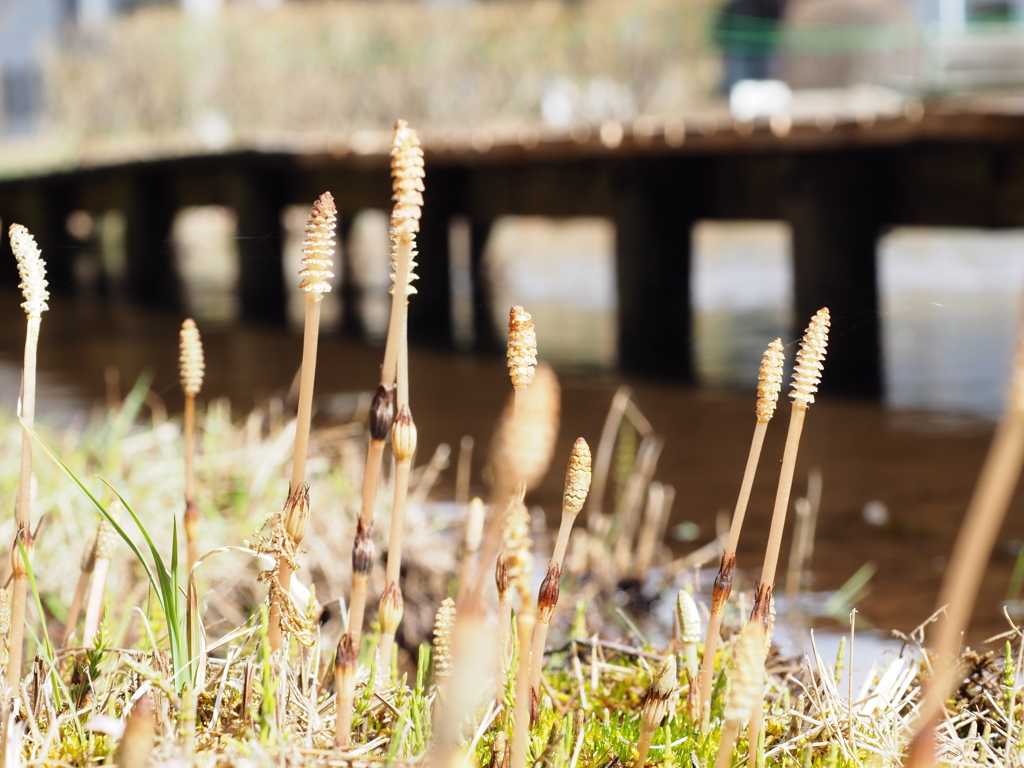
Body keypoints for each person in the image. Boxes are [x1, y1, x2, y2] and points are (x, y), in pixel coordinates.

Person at [713, 0, 785, 93]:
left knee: (759, 81)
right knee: (737, 81)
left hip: (760, 45)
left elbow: (774, 15)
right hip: (739, 45)